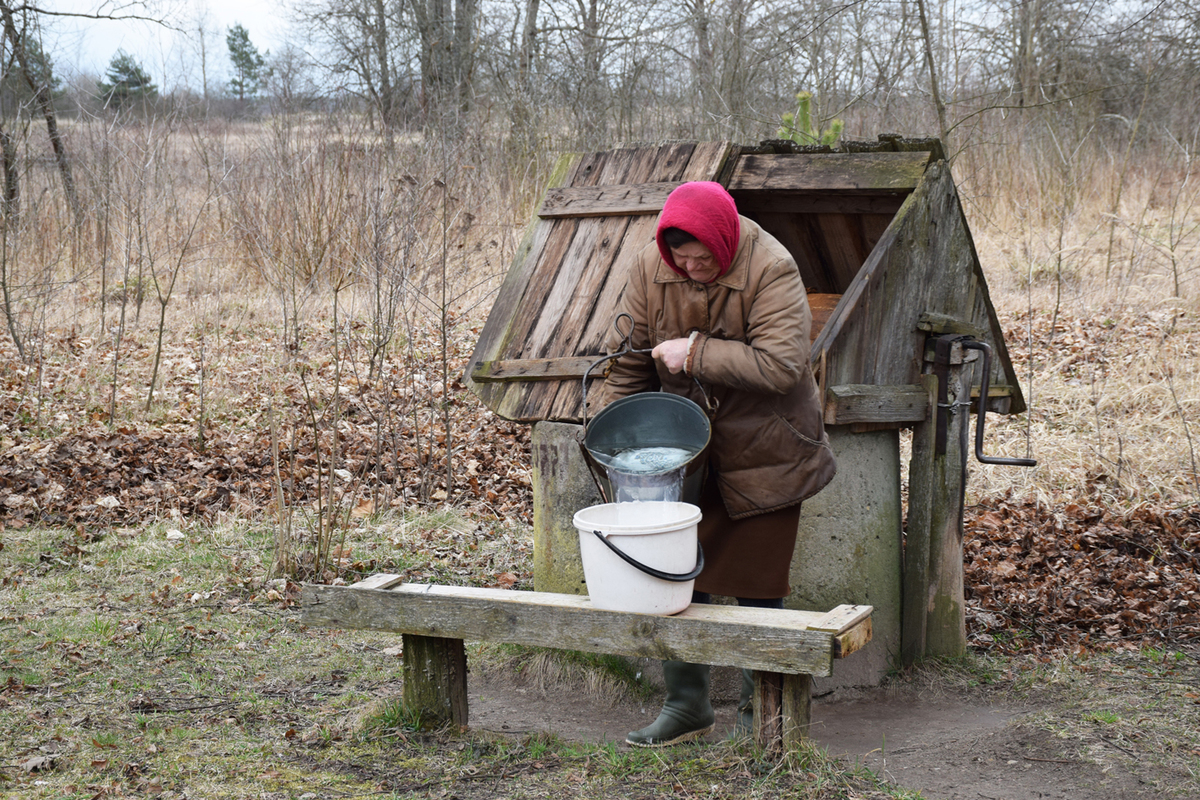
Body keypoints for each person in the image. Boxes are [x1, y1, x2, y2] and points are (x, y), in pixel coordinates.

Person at [596, 181, 837, 747]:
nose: (690, 267)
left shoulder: (771, 265)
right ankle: (686, 709)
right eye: (679, 258)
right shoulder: (648, 269)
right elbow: (629, 365)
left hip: (768, 450)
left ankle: (765, 723)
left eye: (703, 258)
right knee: (676, 581)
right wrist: (609, 438)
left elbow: (782, 365)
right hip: (684, 455)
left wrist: (694, 351)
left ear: (726, 243)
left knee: (759, 590)